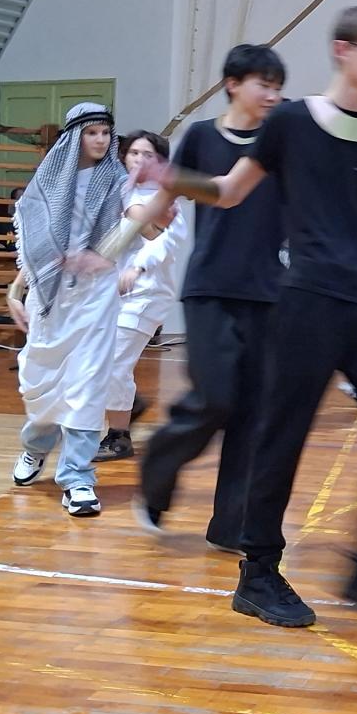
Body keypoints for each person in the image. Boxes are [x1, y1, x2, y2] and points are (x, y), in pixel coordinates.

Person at [144, 6, 357, 628]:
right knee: (282, 437)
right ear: (342, 49)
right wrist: (173, 177)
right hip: (306, 303)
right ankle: (258, 574)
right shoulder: (292, 123)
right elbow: (229, 191)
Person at [133, 45, 286, 550]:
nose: (272, 94)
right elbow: (162, 200)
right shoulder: (201, 135)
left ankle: (231, 526)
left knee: (251, 414)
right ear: (233, 84)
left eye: (277, 86)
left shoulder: (279, 142)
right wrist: (110, 251)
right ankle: (157, 472)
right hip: (210, 288)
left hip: (266, 292)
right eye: (263, 84)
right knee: (214, 398)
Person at [7, 103, 167, 518]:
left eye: (105, 133)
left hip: (96, 299)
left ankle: (77, 477)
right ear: (74, 137)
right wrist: (15, 290)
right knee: (42, 386)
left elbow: (150, 227)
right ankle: (35, 447)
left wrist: (147, 204)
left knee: (88, 386)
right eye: (91, 132)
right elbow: (37, 247)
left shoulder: (119, 182)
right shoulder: (45, 184)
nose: (99, 139)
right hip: (49, 301)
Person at [93, 130, 189, 463]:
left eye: (148, 155)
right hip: (116, 293)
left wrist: (138, 267)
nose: (139, 159)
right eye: (134, 153)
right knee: (103, 362)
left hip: (148, 292)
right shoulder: (121, 191)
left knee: (114, 364)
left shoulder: (166, 197)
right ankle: (128, 405)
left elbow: (167, 241)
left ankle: (119, 438)